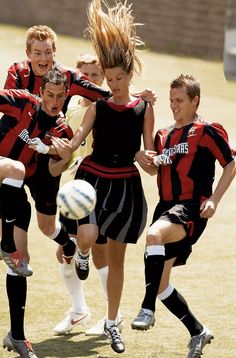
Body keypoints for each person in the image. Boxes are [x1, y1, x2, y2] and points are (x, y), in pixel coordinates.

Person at [4, 25, 156, 330]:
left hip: (60, 170)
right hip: (30, 162)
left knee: (61, 234)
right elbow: (11, 111)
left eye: (48, 52)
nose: (43, 58)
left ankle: (107, 313)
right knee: (47, 240)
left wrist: (135, 96)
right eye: (38, 53)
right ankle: (70, 307)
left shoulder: (77, 96)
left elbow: (106, 96)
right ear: (28, 55)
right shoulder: (24, 82)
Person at [69, 0, 156, 353]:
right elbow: (78, 140)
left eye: (120, 78)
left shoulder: (144, 109)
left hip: (125, 187)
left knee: (118, 261)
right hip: (92, 179)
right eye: (110, 79)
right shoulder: (98, 107)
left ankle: (111, 322)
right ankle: (83, 252)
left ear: (129, 76)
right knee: (87, 236)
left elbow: (150, 159)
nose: (115, 84)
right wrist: (62, 147)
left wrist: (147, 158)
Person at [131, 74, 236, 358]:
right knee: (162, 284)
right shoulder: (164, 135)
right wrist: (144, 160)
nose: (174, 105)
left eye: (180, 100)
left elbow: (231, 163)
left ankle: (146, 308)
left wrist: (214, 199)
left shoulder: (206, 130)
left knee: (154, 235)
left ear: (195, 101)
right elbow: (156, 170)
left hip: (190, 208)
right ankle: (197, 331)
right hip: (164, 208)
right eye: (171, 101)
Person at [0, 69, 74, 358]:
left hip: (11, 189)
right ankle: (6, 245)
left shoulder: (62, 131)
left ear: (66, 95)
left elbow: (54, 170)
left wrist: (64, 156)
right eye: (49, 94)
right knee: (16, 168)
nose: (54, 101)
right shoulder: (20, 101)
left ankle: (16, 335)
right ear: (41, 91)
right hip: (4, 170)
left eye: (60, 96)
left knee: (21, 262)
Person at [50, 54, 123, 336]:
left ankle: (111, 318)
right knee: (63, 252)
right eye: (85, 75)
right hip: (72, 189)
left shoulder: (105, 108)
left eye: (96, 75)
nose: (90, 80)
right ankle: (79, 311)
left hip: (98, 187)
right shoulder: (69, 108)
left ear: (103, 80)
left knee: (100, 253)